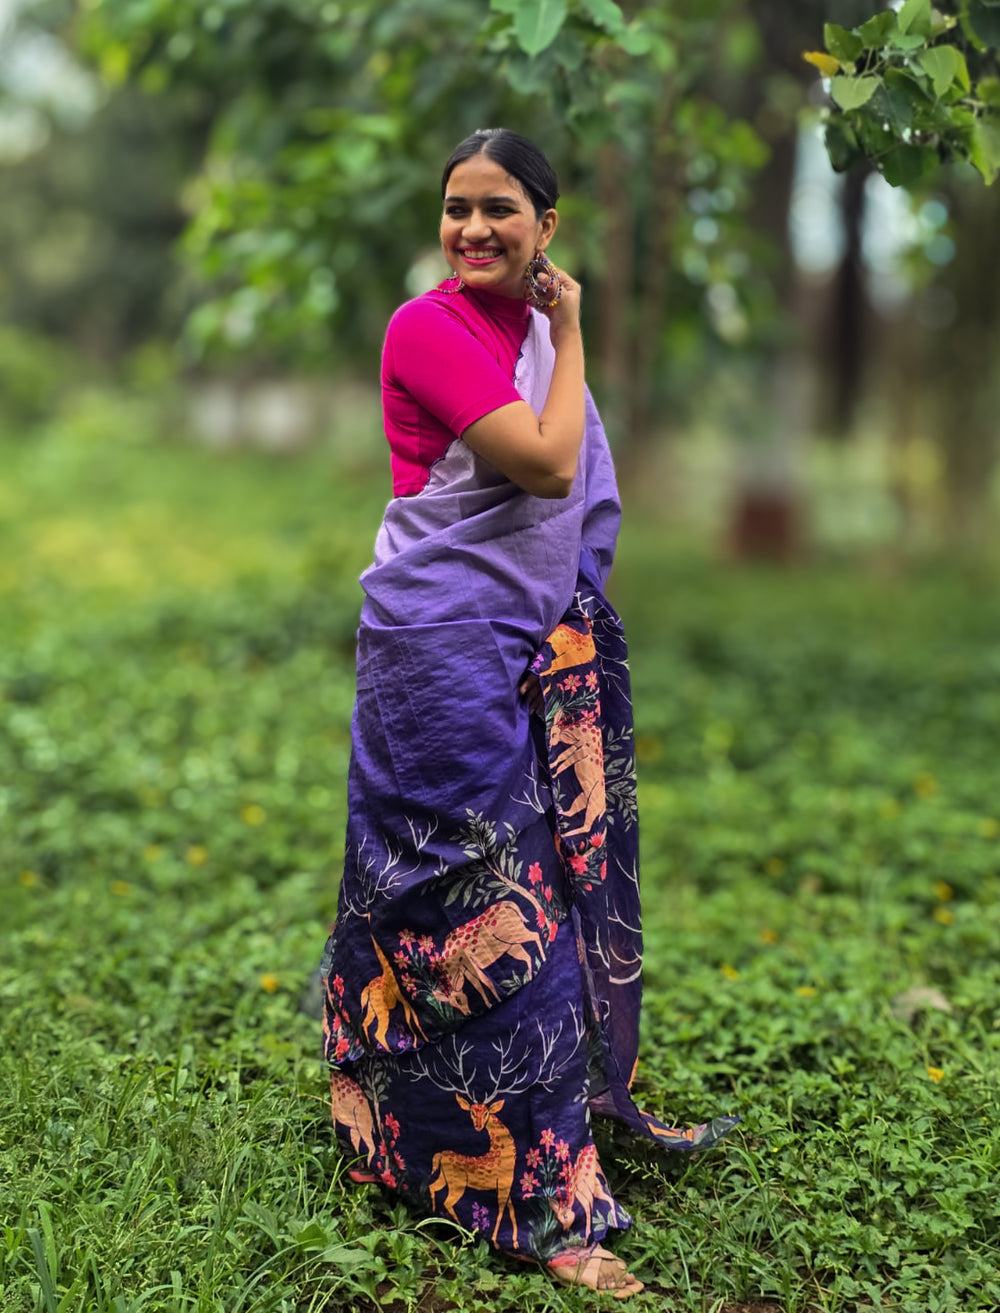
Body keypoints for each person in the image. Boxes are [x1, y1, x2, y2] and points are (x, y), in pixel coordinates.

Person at [320, 127, 737, 1299]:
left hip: (520, 646)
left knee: (507, 885)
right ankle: (551, 1210)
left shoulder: (533, 331)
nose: (472, 231)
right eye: (457, 209)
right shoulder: (430, 327)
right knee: (470, 897)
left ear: (545, 225)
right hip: (437, 653)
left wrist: (562, 330)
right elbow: (548, 468)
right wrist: (582, 328)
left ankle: (408, 1139)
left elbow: (569, 485)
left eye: (499, 209)